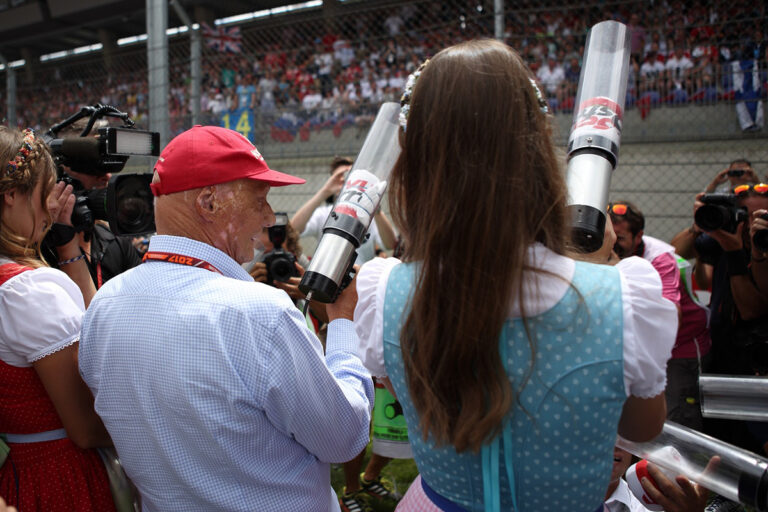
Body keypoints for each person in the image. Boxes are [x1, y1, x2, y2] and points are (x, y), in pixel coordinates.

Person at [353, 40, 678, 511]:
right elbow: (640, 428)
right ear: (538, 150)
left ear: (415, 162)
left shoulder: (385, 291)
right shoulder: (622, 297)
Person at [78, 125, 374, 511]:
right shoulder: (259, 313)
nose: (269, 217)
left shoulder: (103, 305)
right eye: (259, 199)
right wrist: (342, 325)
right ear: (209, 202)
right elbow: (343, 437)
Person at [0, 127, 114, 511]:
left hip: (23, 473)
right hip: (65, 477)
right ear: (11, 195)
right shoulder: (28, 292)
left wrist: (65, 245)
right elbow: (84, 426)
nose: (53, 206)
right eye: (44, 192)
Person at [609, 201, 711, 430]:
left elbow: (670, 318)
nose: (614, 244)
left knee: (675, 421)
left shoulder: (659, 258)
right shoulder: (603, 248)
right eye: (610, 236)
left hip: (681, 349)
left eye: (621, 238)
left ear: (639, 237)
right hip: (634, 347)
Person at [41, 119, 142, 292]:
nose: (106, 176)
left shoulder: (117, 244)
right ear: (58, 170)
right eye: (92, 164)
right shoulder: (37, 249)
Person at [291, 156, 396, 264]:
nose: (344, 180)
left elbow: (391, 244)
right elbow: (293, 230)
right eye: (339, 177)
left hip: (358, 278)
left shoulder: (368, 216)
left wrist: (376, 209)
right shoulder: (324, 214)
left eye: (349, 176)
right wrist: (325, 191)